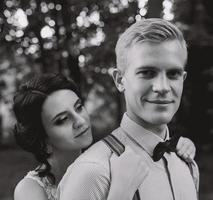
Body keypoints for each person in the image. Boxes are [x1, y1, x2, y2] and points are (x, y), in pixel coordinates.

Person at [58, 18, 199, 200]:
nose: (163, 87)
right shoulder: (92, 172)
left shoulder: (187, 165)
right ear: (119, 80)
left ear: (183, 79)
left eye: (173, 74)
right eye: (147, 73)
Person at [13, 73, 149, 200]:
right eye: (63, 119)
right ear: (43, 140)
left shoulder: (105, 165)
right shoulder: (29, 190)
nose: (80, 121)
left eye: (78, 107)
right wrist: (122, 189)